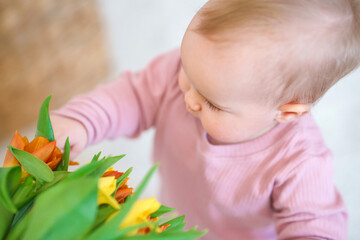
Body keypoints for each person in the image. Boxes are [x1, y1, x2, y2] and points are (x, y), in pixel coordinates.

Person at [51, 0, 360, 239]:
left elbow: (313, 224)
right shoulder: (196, 74)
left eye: (212, 103)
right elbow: (133, 95)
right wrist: (81, 122)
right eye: (187, 69)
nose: (188, 97)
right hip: (170, 218)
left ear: (286, 112)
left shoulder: (299, 162)